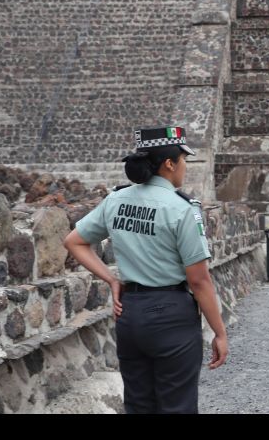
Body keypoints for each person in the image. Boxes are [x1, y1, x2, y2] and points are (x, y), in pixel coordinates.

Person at [63, 126, 228, 414]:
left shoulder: (116, 200)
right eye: (183, 159)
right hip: (171, 315)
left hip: (130, 313)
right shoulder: (181, 209)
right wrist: (220, 333)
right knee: (177, 405)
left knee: (138, 404)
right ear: (169, 164)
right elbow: (199, 280)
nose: (185, 166)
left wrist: (112, 280)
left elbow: (74, 241)